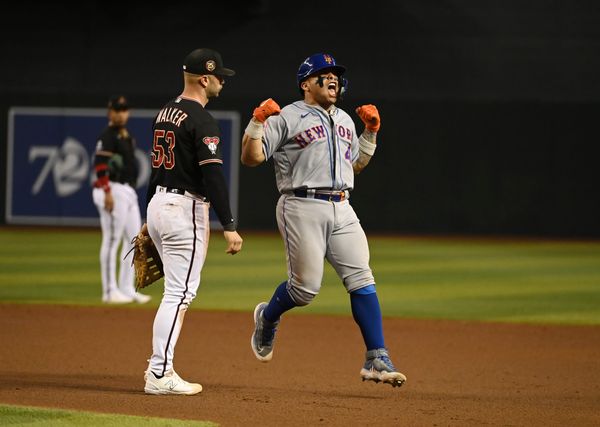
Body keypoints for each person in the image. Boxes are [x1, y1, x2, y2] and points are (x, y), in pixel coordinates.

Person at [241, 53, 406, 388]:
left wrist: (370, 132)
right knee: (304, 291)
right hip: (301, 204)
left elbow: (354, 166)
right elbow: (252, 157)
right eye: (323, 74)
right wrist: (257, 122)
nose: (332, 79)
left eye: (336, 75)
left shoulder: (345, 119)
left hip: (343, 205)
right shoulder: (288, 116)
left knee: (362, 278)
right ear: (306, 84)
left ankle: (377, 356)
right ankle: (267, 317)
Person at [141, 48, 243, 395]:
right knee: (179, 294)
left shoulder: (165, 112)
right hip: (184, 209)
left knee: (175, 293)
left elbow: (156, 167)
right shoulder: (202, 120)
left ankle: (160, 368)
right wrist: (228, 224)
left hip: (158, 203)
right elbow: (213, 177)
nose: (222, 82)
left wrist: (147, 216)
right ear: (204, 78)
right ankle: (159, 373)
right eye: (219, 77)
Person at [92, 95, 151, 305]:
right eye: (117, 110)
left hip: (126, 191)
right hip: (112, 189)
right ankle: (109, 291)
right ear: (110, 113)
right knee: (112, 239)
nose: (120, 113)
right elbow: (99, 165)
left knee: (134, 240)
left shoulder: (125, 135)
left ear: (129, 112)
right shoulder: (108, 136)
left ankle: (126, 288)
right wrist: (107, 191)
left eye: (124, 110)